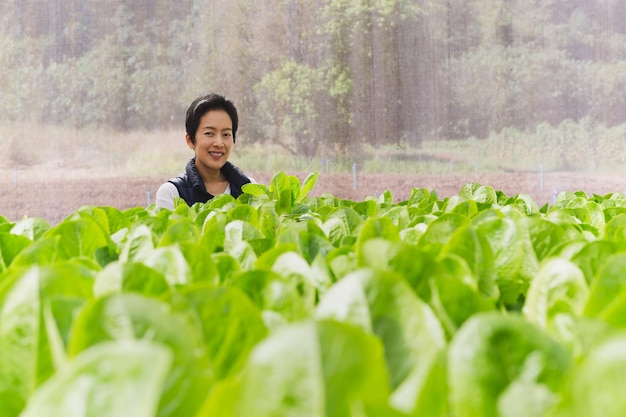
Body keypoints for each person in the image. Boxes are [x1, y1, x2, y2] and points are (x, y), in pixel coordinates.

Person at [156, 93, 255, 210]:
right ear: (190, 140)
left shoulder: (249, 188)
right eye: (209, 133)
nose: (219, 143)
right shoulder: (172, 193)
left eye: (226, 134)